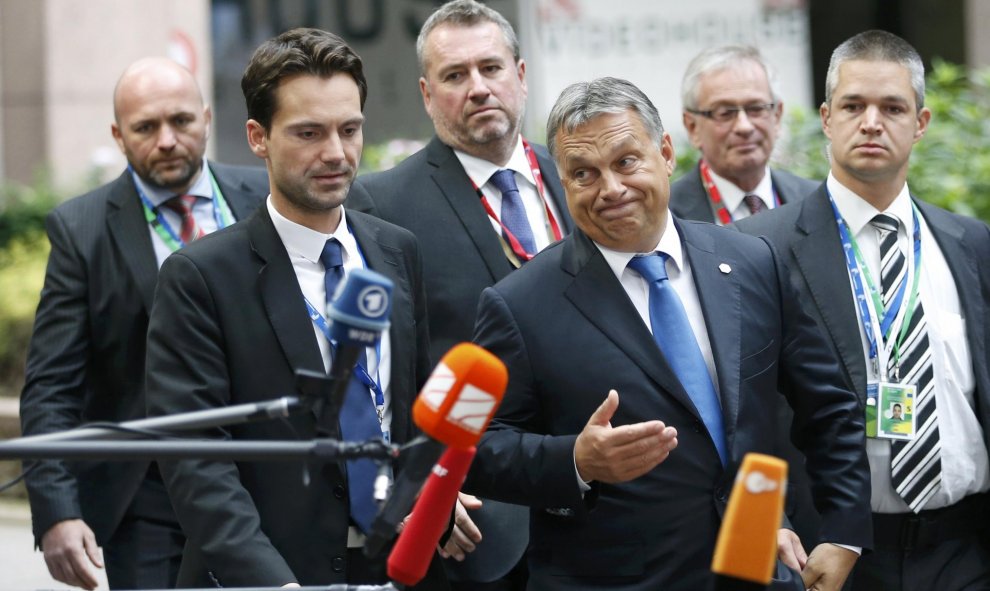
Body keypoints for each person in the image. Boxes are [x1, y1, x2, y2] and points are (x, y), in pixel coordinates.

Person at [463, 76, 872, 591]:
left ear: (664, 152)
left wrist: (844, 532)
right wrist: (575, 460)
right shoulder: (517, 304)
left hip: (758, 563)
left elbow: (827, 407)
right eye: (584, 173)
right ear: (563, 183)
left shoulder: (750, 262)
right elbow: (474, 448)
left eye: (625, 161)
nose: (610, 188)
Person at [143, 28, 446, 589]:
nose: (335, 152)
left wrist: (434, 503)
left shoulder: (396, 251)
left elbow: (414, 413)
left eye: (349, 129)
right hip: (270, 575)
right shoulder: (201, 277)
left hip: (393, 567)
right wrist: (273, 583)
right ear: (258, 137)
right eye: (309, 133)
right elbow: (196, 463)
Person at [736, 30, 990, 590]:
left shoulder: (972, 245)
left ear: (920, 123)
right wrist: (762, 530)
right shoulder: (757, 249)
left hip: (966, 552)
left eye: (892, 107)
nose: (871, 122)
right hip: (828, 557)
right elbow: (739, 411)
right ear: (827, 118)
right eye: (853, 105)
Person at [18, 57, 268, 590]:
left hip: (269, 475)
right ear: (118, 135)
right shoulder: (82, 230)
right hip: (150, 502)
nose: (168, 140)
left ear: (205, 117)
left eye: (181, 121)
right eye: (145, 128)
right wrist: (58, 511)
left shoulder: (265, 200)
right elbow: (51, 386)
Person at [347, 1, 572, 588]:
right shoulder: (381, 206)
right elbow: (379, 375)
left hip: (601, 514)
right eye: (455, 76)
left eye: (491, 68)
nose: (478, 88)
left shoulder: (580, 182)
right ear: (426, 94)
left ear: (521, 77)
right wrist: (422, 491)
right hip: (473, 526)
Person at [670, 45, 816, 224]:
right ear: (692, 127)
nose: (744, 127)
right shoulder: (667, 217)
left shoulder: (816, 202)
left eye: (756, 108)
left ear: (776, 116)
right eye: (724, 113)